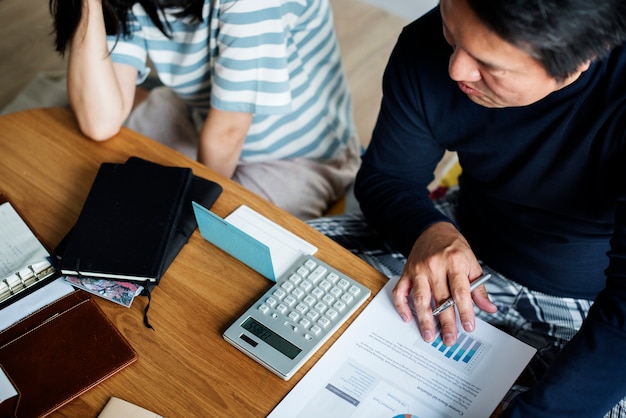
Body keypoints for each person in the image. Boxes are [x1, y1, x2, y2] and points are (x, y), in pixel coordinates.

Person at [308, 0, 626, 416]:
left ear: (581, 60)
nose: (456, 69)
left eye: (489, 64)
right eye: (450, 31)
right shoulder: (428, 45)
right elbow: (388, 177)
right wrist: (429, 231)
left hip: (591, 304)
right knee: (288, 270)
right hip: (455, 230)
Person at [48, 0, 360, 219]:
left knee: (209, 244)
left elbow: (228, 132)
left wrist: (189, 216)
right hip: (203, 117)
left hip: (299, 153)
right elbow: (100, 122)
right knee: (96, 170)